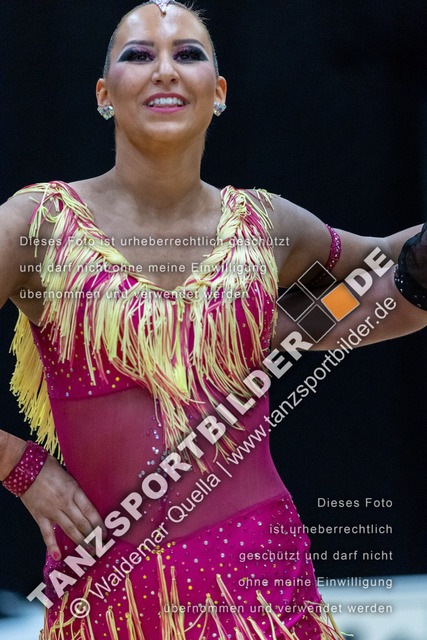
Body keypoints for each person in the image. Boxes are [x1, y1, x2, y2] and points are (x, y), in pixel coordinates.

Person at [0, 1, 426, 639]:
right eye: (139, 54)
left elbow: (378, 280)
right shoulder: (36, 226)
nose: (165, 69)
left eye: (188, 53)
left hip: (266, 595)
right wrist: (19, 465)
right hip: (111, 601)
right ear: (103, 93)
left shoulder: (267, 227)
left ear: (219, 92)